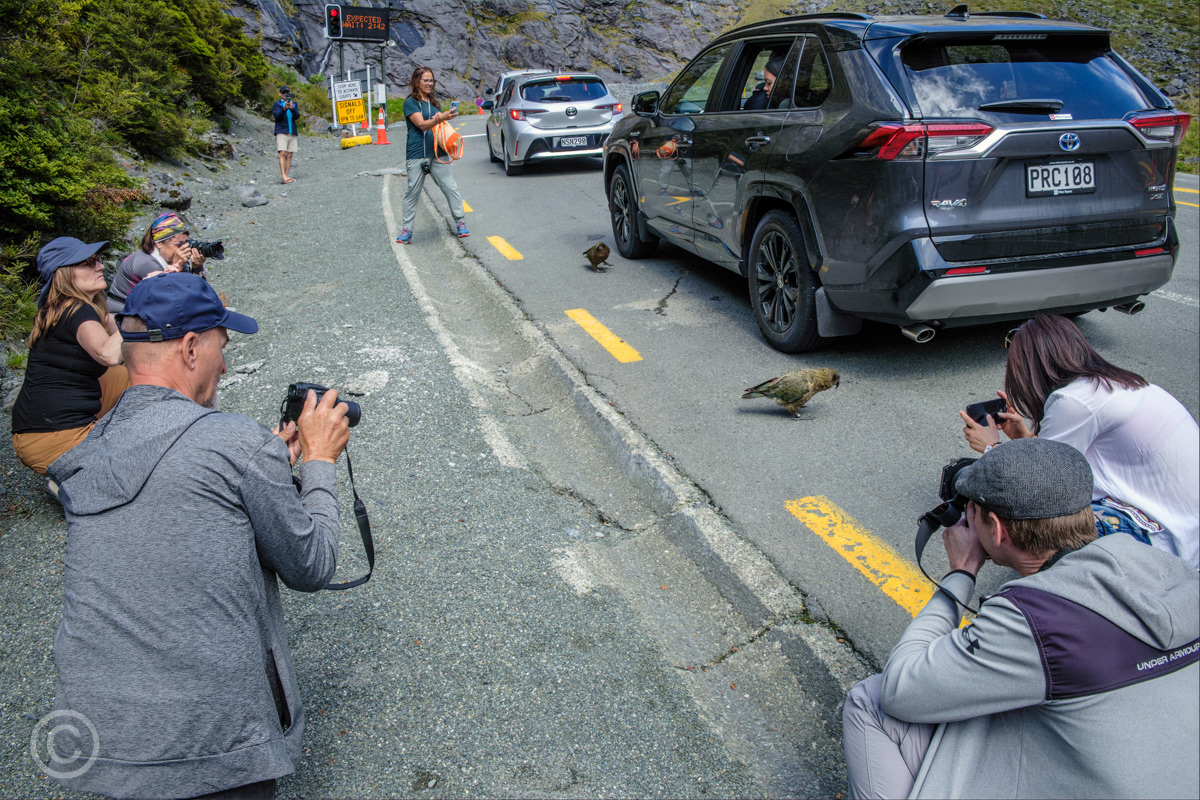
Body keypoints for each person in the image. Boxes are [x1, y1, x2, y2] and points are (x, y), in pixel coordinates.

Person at [44, 273, 350, 799]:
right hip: (208, 741)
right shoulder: (231, 443)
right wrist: (319, 462)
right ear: (190, 348)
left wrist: (265, 462)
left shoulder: (89, 451)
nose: (225, 365)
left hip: (100, 736)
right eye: (220, 347)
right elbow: (312, 565)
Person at [842, 438, 1199, 799]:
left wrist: (961, 572)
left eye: (973, 512)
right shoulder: (1170, 568)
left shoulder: (1037, 619)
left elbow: (901, 690)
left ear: (996, 529)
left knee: (871, 700)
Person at [960, 314, 1199, 569]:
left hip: (1164, 541)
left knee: (1015, 514)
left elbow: (1033, 488)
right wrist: (1024, 438)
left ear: (1027, 370)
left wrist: (991, 448)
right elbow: (1060, 459)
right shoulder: (1121, 384)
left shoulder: (1073, 401)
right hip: (1187, 528)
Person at [11, 237, 128, 479]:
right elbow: (108, 353)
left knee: (132, 373)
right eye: (87, 263)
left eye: (97, 260)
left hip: (32, 431)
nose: (100, 266)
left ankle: (82, 466)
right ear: (63, 275)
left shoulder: (64, 308)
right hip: (55, 438)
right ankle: (74, 481)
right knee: (141, 465)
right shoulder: (77, 310)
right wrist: (140, 313)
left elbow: (120, 323)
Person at [396, 66, 469, 244]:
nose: (429, 84)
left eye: (432, 80)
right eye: (426, 80)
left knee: (450, 187)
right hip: (417, 153)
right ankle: (406, 230)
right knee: (413, 191)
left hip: (438, 151)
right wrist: (440, 117)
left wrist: (445, 120)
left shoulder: (435, 103)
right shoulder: (410, 103)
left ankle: (460, 222)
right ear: (417, 82)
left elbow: (439, 126)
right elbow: (421, 124)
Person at [106, 212, 207, 313]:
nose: (183, 248)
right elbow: (174, 299)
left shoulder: (172, 257)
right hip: (122, 312)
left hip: (143, 309)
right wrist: (177, 266)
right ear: (159, 243)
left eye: (185, 243)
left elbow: (195, 294)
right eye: (178, 244)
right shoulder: (145, 262)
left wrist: (197, 267)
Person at [273, 85, 299, 184]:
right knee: (282, 153)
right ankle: (283, 176)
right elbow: (277, 117)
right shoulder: (277, 104)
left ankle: (287, 175)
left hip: (292, 131)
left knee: (289, 154)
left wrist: (292, 109)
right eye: (283, 93)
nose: (285, 95)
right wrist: (284, 109)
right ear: (280, 94)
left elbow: (297, 116)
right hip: (281, 131)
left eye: (286, 93)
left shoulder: (294, 104)